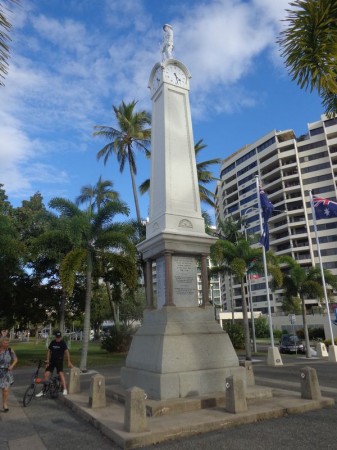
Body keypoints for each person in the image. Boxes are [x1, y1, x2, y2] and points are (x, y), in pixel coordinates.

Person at [37, 330, 73, 397]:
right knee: (46, 374)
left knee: (61, 374)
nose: (58, 338)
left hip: (59, 361)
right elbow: (49, 351)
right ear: (55, 337)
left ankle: (65, 389)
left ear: (60, 337)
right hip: (52, 361)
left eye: (59, 337)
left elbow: (67, 352)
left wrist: (68, 361)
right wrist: (47, 360)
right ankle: (43, 391)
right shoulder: (53, 342)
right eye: (57, 337)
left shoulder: (63, 343)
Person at [0, 337, 18, 412]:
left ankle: (5, 404)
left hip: (6, 372)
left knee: (6, 390)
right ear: (1, 343)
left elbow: (16, 359)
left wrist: (12, 366)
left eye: (8, 343)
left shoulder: (10, 350)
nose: (7, 344)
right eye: (5, 343)